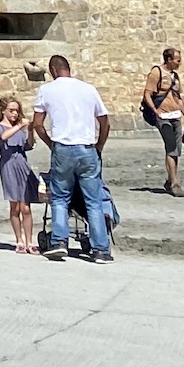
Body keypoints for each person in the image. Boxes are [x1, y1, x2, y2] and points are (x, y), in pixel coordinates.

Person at [31, 54, 114, 262]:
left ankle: (59, 241)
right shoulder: (88, 89)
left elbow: (38, 124)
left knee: (60, 197)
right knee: (93, 200)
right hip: (87, 147)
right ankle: (101, 249)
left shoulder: (47, 90)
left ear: (52, 70)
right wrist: (99, 146)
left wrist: (51, 144)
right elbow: (105, 122)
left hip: (63, 147)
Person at [0, 95, 40, 253]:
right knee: (15, 205)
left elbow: (28, 145)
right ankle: (19, 240)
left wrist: (31, 130)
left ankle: (29, 241)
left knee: (26, 207)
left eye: (16, 111)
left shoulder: (19, 129)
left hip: (22, 163)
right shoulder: (0, 126)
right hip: (9, 165)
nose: (14, 114)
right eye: (11, 110)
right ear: (3, 111)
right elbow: (4, 137)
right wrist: (20, 125)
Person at [144, 48, 184, 196]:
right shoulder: (156, 73)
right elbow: (147, 94)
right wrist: (155, 111)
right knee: (171, 147)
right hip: (163, 117)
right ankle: (175, 183)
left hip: (175, 116)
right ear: (169, 60)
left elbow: (178, 99)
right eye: (177, 60)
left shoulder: (175, 77)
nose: (179, 63)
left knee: (175, 150)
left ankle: (170, 180)